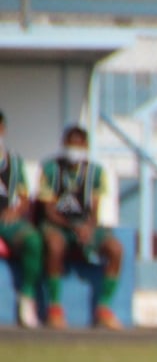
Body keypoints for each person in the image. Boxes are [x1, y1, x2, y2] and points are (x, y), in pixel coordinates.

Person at [37, 125, 123, 330]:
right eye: (69, 144)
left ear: (85, 147)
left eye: (78, 145)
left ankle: (104, 309)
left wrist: (88, 228)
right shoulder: (50, 169)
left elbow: (95, 208)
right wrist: (72, 226)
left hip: (84, 225)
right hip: (58, 224)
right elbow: (48, 210)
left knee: (115, 249)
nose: (73, 149)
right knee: (55, 246)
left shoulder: (96, 172)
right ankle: (54, 309)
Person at [0, 111, 46, 328]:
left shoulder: (15, 162)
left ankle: (26, 298)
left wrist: (16, 211)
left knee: (33, 240)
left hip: (7, 220)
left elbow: (25, 198)